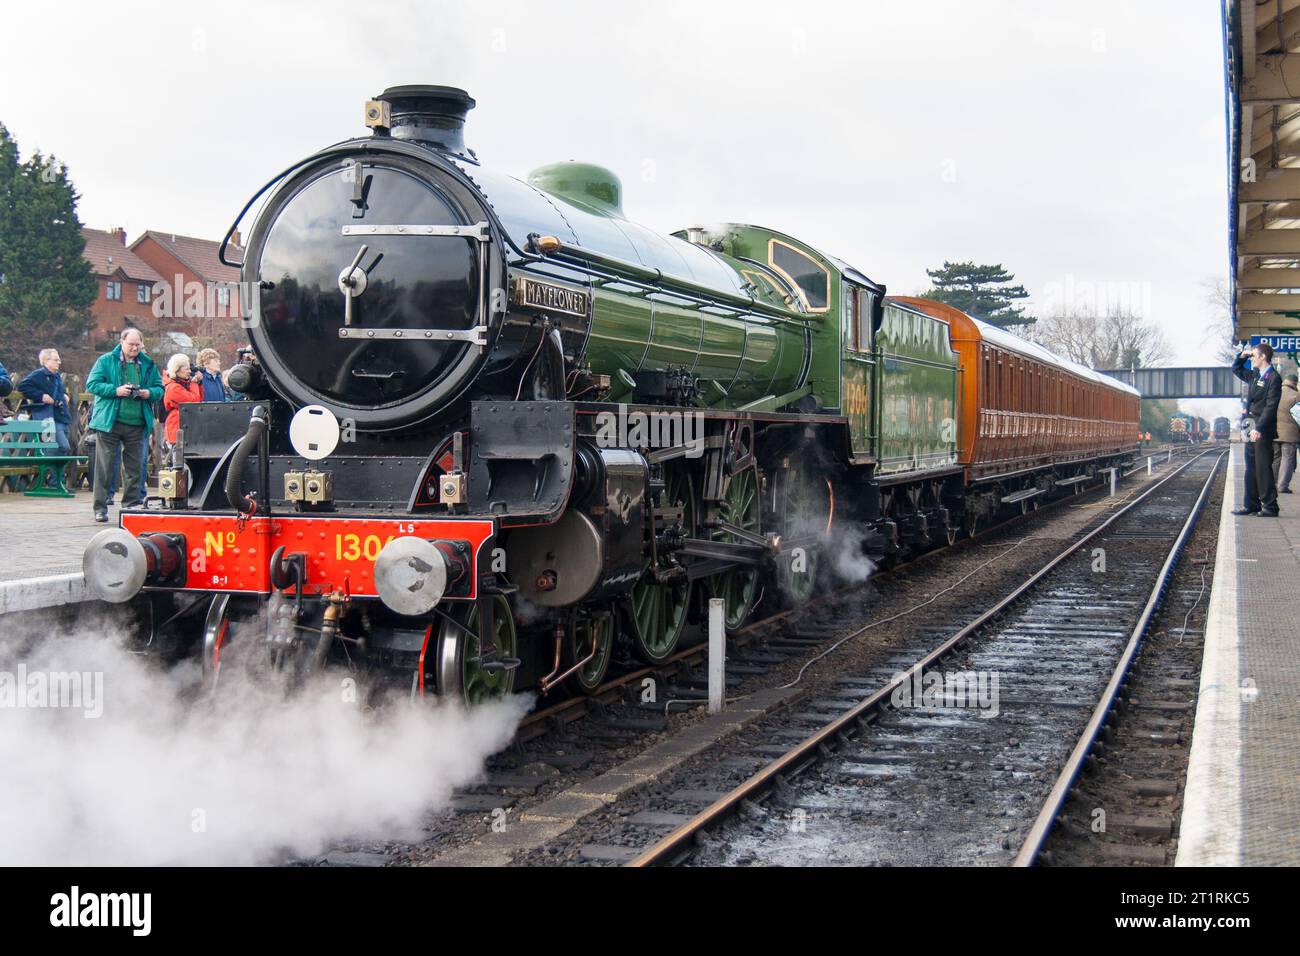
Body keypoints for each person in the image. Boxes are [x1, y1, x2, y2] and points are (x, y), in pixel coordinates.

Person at [86, 328, 163, 523]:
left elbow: (160, 388)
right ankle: (100, 507)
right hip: (110, 423)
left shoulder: (148, 364)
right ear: (122, 342)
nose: (134, 348)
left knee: (135, 468)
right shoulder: (105, 361)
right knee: (105, 467)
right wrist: (116, 390)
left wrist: (148, 393)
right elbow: (92, 384)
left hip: (137, 423)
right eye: (131, 344)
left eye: (138, 344)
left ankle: (131, 506)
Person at [1231, 342, 1283, 517]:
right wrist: (1242, 355)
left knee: (1262, 467)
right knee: (1250, 467)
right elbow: (1236, 369)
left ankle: (1270, 506)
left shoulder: (1274, 378)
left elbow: (1271, 406)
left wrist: (1259, 428)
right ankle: (1251, 504)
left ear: (1263, 357)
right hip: (1250, 424)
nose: (1252, 358)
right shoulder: (1254, 375)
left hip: (1262, 426)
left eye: (1254, 355)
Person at [17, 349, 72, 454]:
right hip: (49, 418)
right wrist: (40, 396)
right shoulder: (39, 374)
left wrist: (65, 395)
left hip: (62, 417)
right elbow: (23, 386)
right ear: (46, 361)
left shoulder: (57, 376)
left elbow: (58, 391)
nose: (59, 362)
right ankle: (49, 471)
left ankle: (56, 471)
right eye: (56, 360)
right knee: (60, 447)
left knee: (62, 451)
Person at [162, 353, 203, 451]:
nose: (189, 371)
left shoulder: (183, 384)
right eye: (186, 369)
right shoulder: (173, 388)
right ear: (177, 369)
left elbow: (200, 400)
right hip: (177, 430)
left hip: (186, 428)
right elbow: (193, 402)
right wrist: (194, 383)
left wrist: (199, 384)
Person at [1274, 372, 1300, 495]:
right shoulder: (1297, 396)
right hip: (1290, 434)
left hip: (1274, 433)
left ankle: (1272, 483)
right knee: (1287, 460)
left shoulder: (1275, 393)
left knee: (1276, 458)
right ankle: (1282, 485)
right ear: (1295, 383)